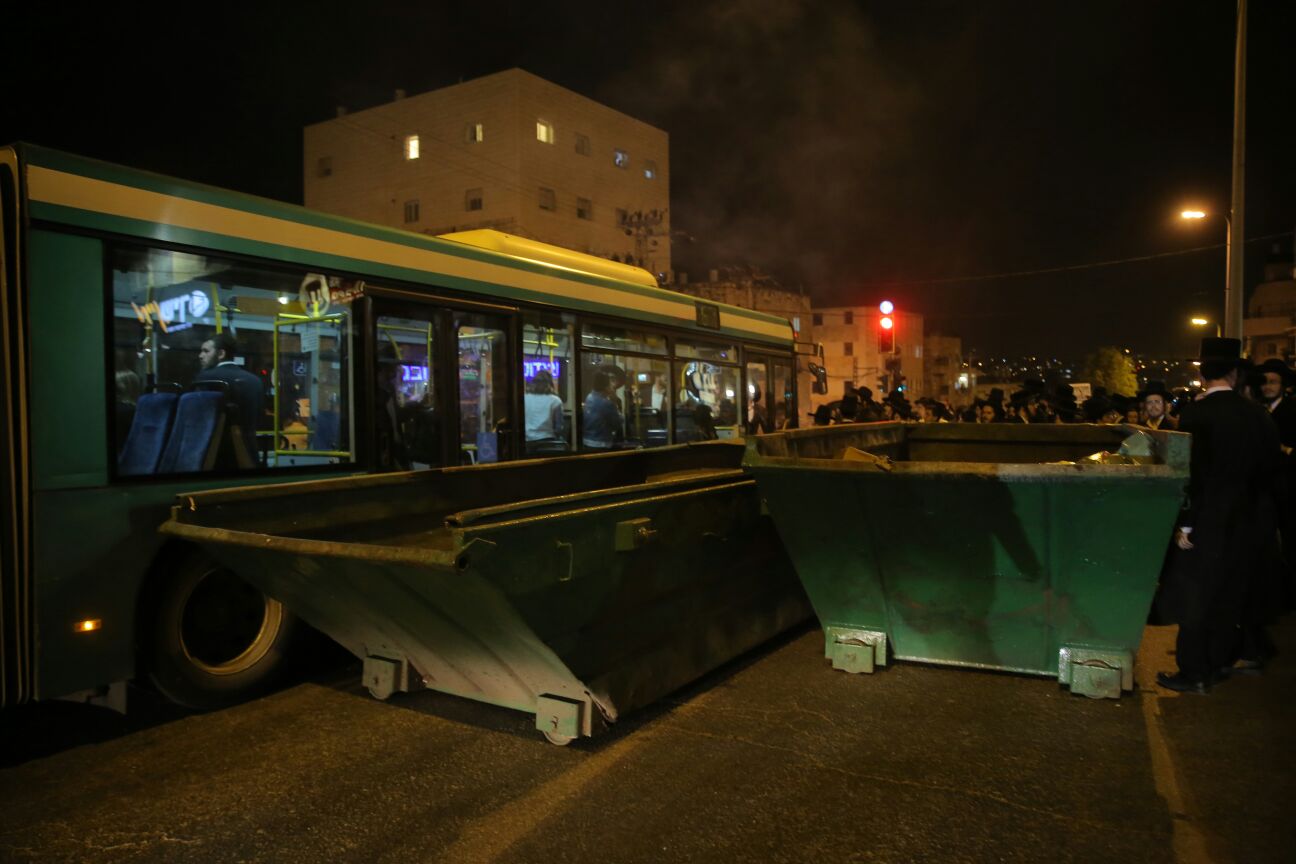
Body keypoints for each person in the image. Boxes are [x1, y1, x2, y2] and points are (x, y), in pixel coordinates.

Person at [1157, 338, 1283, 693]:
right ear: (1234, 371)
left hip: (1209, 519)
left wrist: (1186, 523)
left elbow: (1194, 475)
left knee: (1196, 595)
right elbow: (1272, 470)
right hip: (1250, 519)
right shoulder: (1257, 414)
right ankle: (1219, 661)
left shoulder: (1198, 415)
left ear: (1202, 371)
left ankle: (1194, 671)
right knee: (1231, 594)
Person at [194, 332, 264, 461]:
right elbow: (259, 417)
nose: (200, 356)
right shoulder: (255, 381)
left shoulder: (205, 378)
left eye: (206, 351)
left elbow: (199, 420)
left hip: (216, 455)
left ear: (221, 354)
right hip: (249, 453)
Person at [582, 369, 622, 450]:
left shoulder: (589, 397)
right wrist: (614, 402)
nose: (612, 385)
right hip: (601, 444)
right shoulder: (606, 403)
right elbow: (617, 423)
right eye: (610, 382)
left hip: (587, 441)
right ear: (605, 386)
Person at [524, 369, 566, 447]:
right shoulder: (555, 400)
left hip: (527, 440)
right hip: (547, 441)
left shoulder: (524, 398)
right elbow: (559, 428)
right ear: (550, 384)